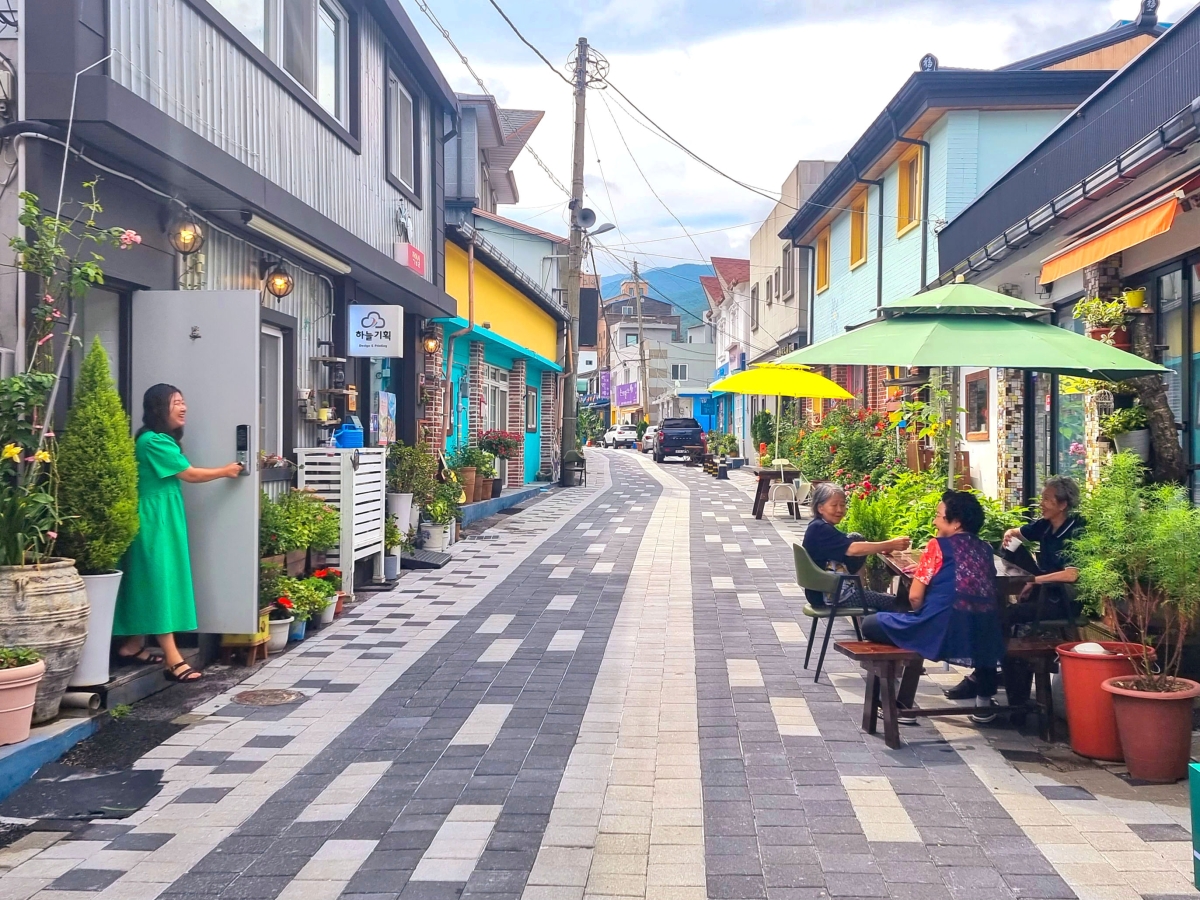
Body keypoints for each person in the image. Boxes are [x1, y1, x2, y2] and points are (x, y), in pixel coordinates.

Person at [113, 384, 243, 682]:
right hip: (153, 519)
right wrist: (226, 470)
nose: (183, 408)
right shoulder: (154, 441)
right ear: (160, 407)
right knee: (159, 582)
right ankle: (173, 658)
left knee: (150, 581)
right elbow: (189, 474)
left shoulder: (155, 439)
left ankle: (132, 646)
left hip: (161, 515)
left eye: (184, 402)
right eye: (176, 402)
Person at [861, 491, 1006, 725]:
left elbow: (915, 597)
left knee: (871, 624)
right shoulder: (985, 549)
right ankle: (983, 704)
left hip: (942, 628)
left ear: (956, 522)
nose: (935, 521)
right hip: (984, 634)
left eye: (939, 516)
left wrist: (920, 615)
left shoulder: (937, 546)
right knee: (978, 628)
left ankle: (900, 704)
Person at [943, 475, 1083, 711]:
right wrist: (1011, 534)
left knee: (1003, 618)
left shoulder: (1076, 531)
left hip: (1064, 599)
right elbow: (1017, 532)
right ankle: (992, 673)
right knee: (1001, 609)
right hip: (1045, 590)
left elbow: (1072, 575)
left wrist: (1033, 580)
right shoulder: (1046, 525)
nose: (1041, 503)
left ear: (1063, 505)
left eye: (1047, 499)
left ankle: (988, 677)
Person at [802, 482, 910, 610]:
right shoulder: (820, 529)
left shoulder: (818, 526)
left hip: (827, 590)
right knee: (898, 603)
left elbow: (854, 545)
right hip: (831, 594)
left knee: (855, 537)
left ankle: (861, 588)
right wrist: (890, 544)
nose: (839, 510)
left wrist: (884, 546)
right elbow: (853, 549)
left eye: (842, 505)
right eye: (834, 505)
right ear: (820, 508)